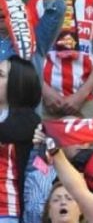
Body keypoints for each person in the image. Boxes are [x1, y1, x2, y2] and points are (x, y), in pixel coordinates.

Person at [0, 57, 43, 221]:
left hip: (6, 210)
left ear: (16, 84)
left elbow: (5, 131)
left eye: (0, 75)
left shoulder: (29, 120)